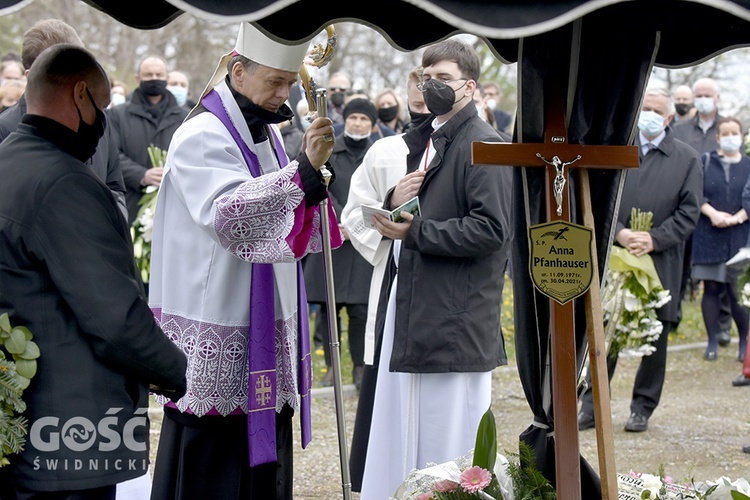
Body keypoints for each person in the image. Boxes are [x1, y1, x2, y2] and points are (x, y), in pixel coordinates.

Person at [147, 22, 340, 499]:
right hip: (218, 317)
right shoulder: (202, 133)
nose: (283, 93)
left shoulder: (269, 135)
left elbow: (286, 218)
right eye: (275, 81)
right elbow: (228, 215)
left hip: (265, 318)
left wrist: (309, 180)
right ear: (238, 70)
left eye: (289, 83)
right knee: (212, 472)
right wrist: (303, 176)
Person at [0, 43, 187, 500]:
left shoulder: (7, 159)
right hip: (67, 428)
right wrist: (175, 369)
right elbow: (113, 314)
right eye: (102, 107)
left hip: (20, 416)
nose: (104, 122)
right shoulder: (66, 182)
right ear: (80, 96)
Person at [355, 38, 512, 498]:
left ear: (469, 86)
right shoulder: (431, 138)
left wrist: (416, 233)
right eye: (426, 77)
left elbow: (492, 230)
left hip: (455, 321)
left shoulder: (484, 142)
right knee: (404, 431)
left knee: (449, 441)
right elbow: (424, 208)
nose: (431, 86)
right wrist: (392, 206)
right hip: (417, 311)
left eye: (443, 78)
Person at [577, 85, 702, 433]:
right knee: (606, 331)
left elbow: (689, 212)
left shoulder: (687, 158)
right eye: (643, 107)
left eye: (655, 110)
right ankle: (591, 405)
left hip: (659, 259)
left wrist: (654, 238)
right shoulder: (618, 150)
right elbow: (597, 198)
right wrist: (618, 232)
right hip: (615, 255)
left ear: (669, 117)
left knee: (655, 333)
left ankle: (642, 407)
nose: (647, 115)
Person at [342, 67, 433, 491]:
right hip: (396, 273)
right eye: (416, 81)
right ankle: (380, 477)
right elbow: (353, 214)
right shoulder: (384, 152)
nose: (421, 90)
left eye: (432, 81)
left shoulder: (473, 144)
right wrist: (390, 205)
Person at [0, 18, 127, 221]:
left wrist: (108, 226)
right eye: (63, 71)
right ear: (31, 75)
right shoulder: (5, 129)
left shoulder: (99, 122)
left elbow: (115, 187)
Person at [305, 98, 378, 390]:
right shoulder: (330, 149)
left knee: (360, 309)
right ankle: (331, 368)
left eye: (363, 119)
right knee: (329, 306)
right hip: (333, 234)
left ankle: (359, 368)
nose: (357, 123)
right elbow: (322, 185)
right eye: (353, 117)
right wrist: (337, 221)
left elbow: (378, 191)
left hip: (364, 238)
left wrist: (357, 224)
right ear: (344, 120)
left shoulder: (377, 154)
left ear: (372, 125)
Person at [674, 78, 733, 347]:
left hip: (718, 210)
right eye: (698, 94)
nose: (702, 98)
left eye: (707, 94)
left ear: (717, 97)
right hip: (684, 204)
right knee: (680, 263)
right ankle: (672, 315)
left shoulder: (727, 128)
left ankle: (723, 325)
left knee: (720, 274)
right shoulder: (682, 128)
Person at [691, 117, 750, 362]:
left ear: (742, 136)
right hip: (709, 233)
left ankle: (744, 342)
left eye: (734, 133)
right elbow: (696, 192)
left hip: (740, 235)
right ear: (717, 137)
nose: (729, 137)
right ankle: (712, 340)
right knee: (712, 289)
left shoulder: (748, 163)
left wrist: (736, 218)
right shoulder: (705, 161)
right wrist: (714, 214)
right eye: (724, 133)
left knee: (738, 292)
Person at [108, 55, 188, 225]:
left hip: (174, 206)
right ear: (138, 78)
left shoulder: (185, 117)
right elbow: (112, 154)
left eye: (159, 75)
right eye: (148, 75)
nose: (154, 79)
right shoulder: (118, 115)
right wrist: (142, 175)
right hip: (130, 204)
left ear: (167, 78)